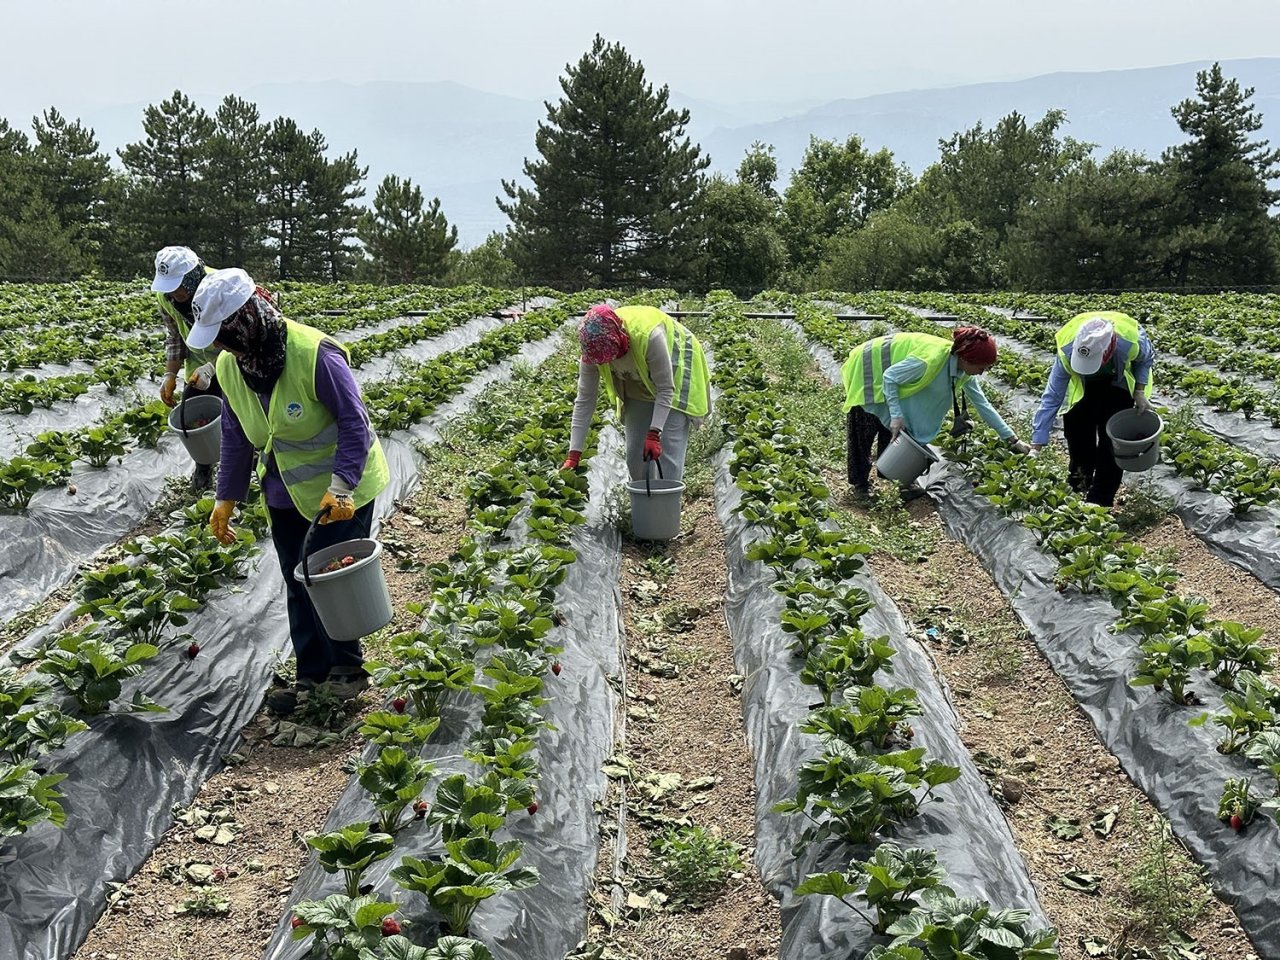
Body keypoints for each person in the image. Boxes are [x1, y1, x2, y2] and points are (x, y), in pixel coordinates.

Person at [189, 268, 390, 716]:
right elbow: (237, 431)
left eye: (224, 334)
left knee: (330, 578)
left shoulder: (314, 354)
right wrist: (227, 496)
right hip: (284, 489)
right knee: (297, 578)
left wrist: (341, 487)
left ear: (246, 318)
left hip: (342, 490)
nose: (222, 345)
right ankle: (310, 674)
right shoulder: (231, 366)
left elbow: (355, 423)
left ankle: (347, 670)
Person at [842, 326, 1030, 501]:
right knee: (864, 428)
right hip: (868, 368)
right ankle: (860, 486)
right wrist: (896, 415)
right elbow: (890, 378)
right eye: (981, 368)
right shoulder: (929, 361)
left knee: (894, 428)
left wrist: (1013, 440)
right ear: (965, 359)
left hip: (891, 374)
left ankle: (893, 477)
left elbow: (984, 405)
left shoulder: (963, 372)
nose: (982, 373)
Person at [562, 304, 711, 483]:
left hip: (675, 373)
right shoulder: (592, 353)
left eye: (611, 356)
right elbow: (585, 401)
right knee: (636, 460)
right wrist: (574, 455)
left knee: (668, 461)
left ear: (619, 338)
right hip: (637, 384)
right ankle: (644, 508)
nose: (608, 362)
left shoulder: (649, 337)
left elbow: (665, 389)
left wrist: (654, 433)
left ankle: (667, 507)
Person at [1030, 312, 1155, 507]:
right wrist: (1037, 442)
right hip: (1083, 388)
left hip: (1117, 385)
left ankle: (1100, 501)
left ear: (1108, 352)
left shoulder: (1130, 341)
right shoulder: (1067, 350)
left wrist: (1139, 391)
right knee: (1077, 434)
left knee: (1111, 444)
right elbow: (1053, 396)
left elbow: (1145, 359)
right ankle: (1080, 485)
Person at [151, 246, 220, 490]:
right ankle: (203, 468)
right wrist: (170, 373)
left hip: (234, 358)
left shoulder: (218, 287)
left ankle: (247, 467)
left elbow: (243, 340)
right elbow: (174, 336)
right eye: (168, 285)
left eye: (178, 284)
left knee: (242, 414)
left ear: (192, 276)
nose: (173, 291)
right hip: (197, 364)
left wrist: (214, 368)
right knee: (194, 412)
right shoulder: (165, 296)